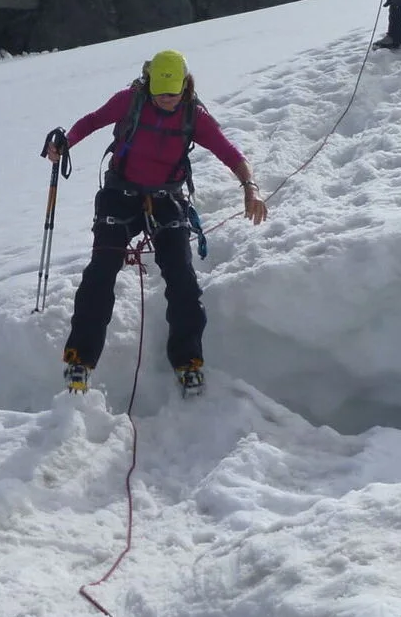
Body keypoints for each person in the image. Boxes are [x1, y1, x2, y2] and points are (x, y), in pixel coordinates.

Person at [44, 49, 266, 396]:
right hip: (120, 193)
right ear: (148, 83)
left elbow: (230, 152)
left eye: (172, 94)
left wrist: (250, 187)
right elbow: (92, 120)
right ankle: (80, 359)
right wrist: (65, 142)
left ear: (185, 87)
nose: (165, 99)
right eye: (159, 93)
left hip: (166, 199)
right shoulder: (130, 101)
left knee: (182, 277)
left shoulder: (194, 116)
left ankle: (188, 361)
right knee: (101, 270)